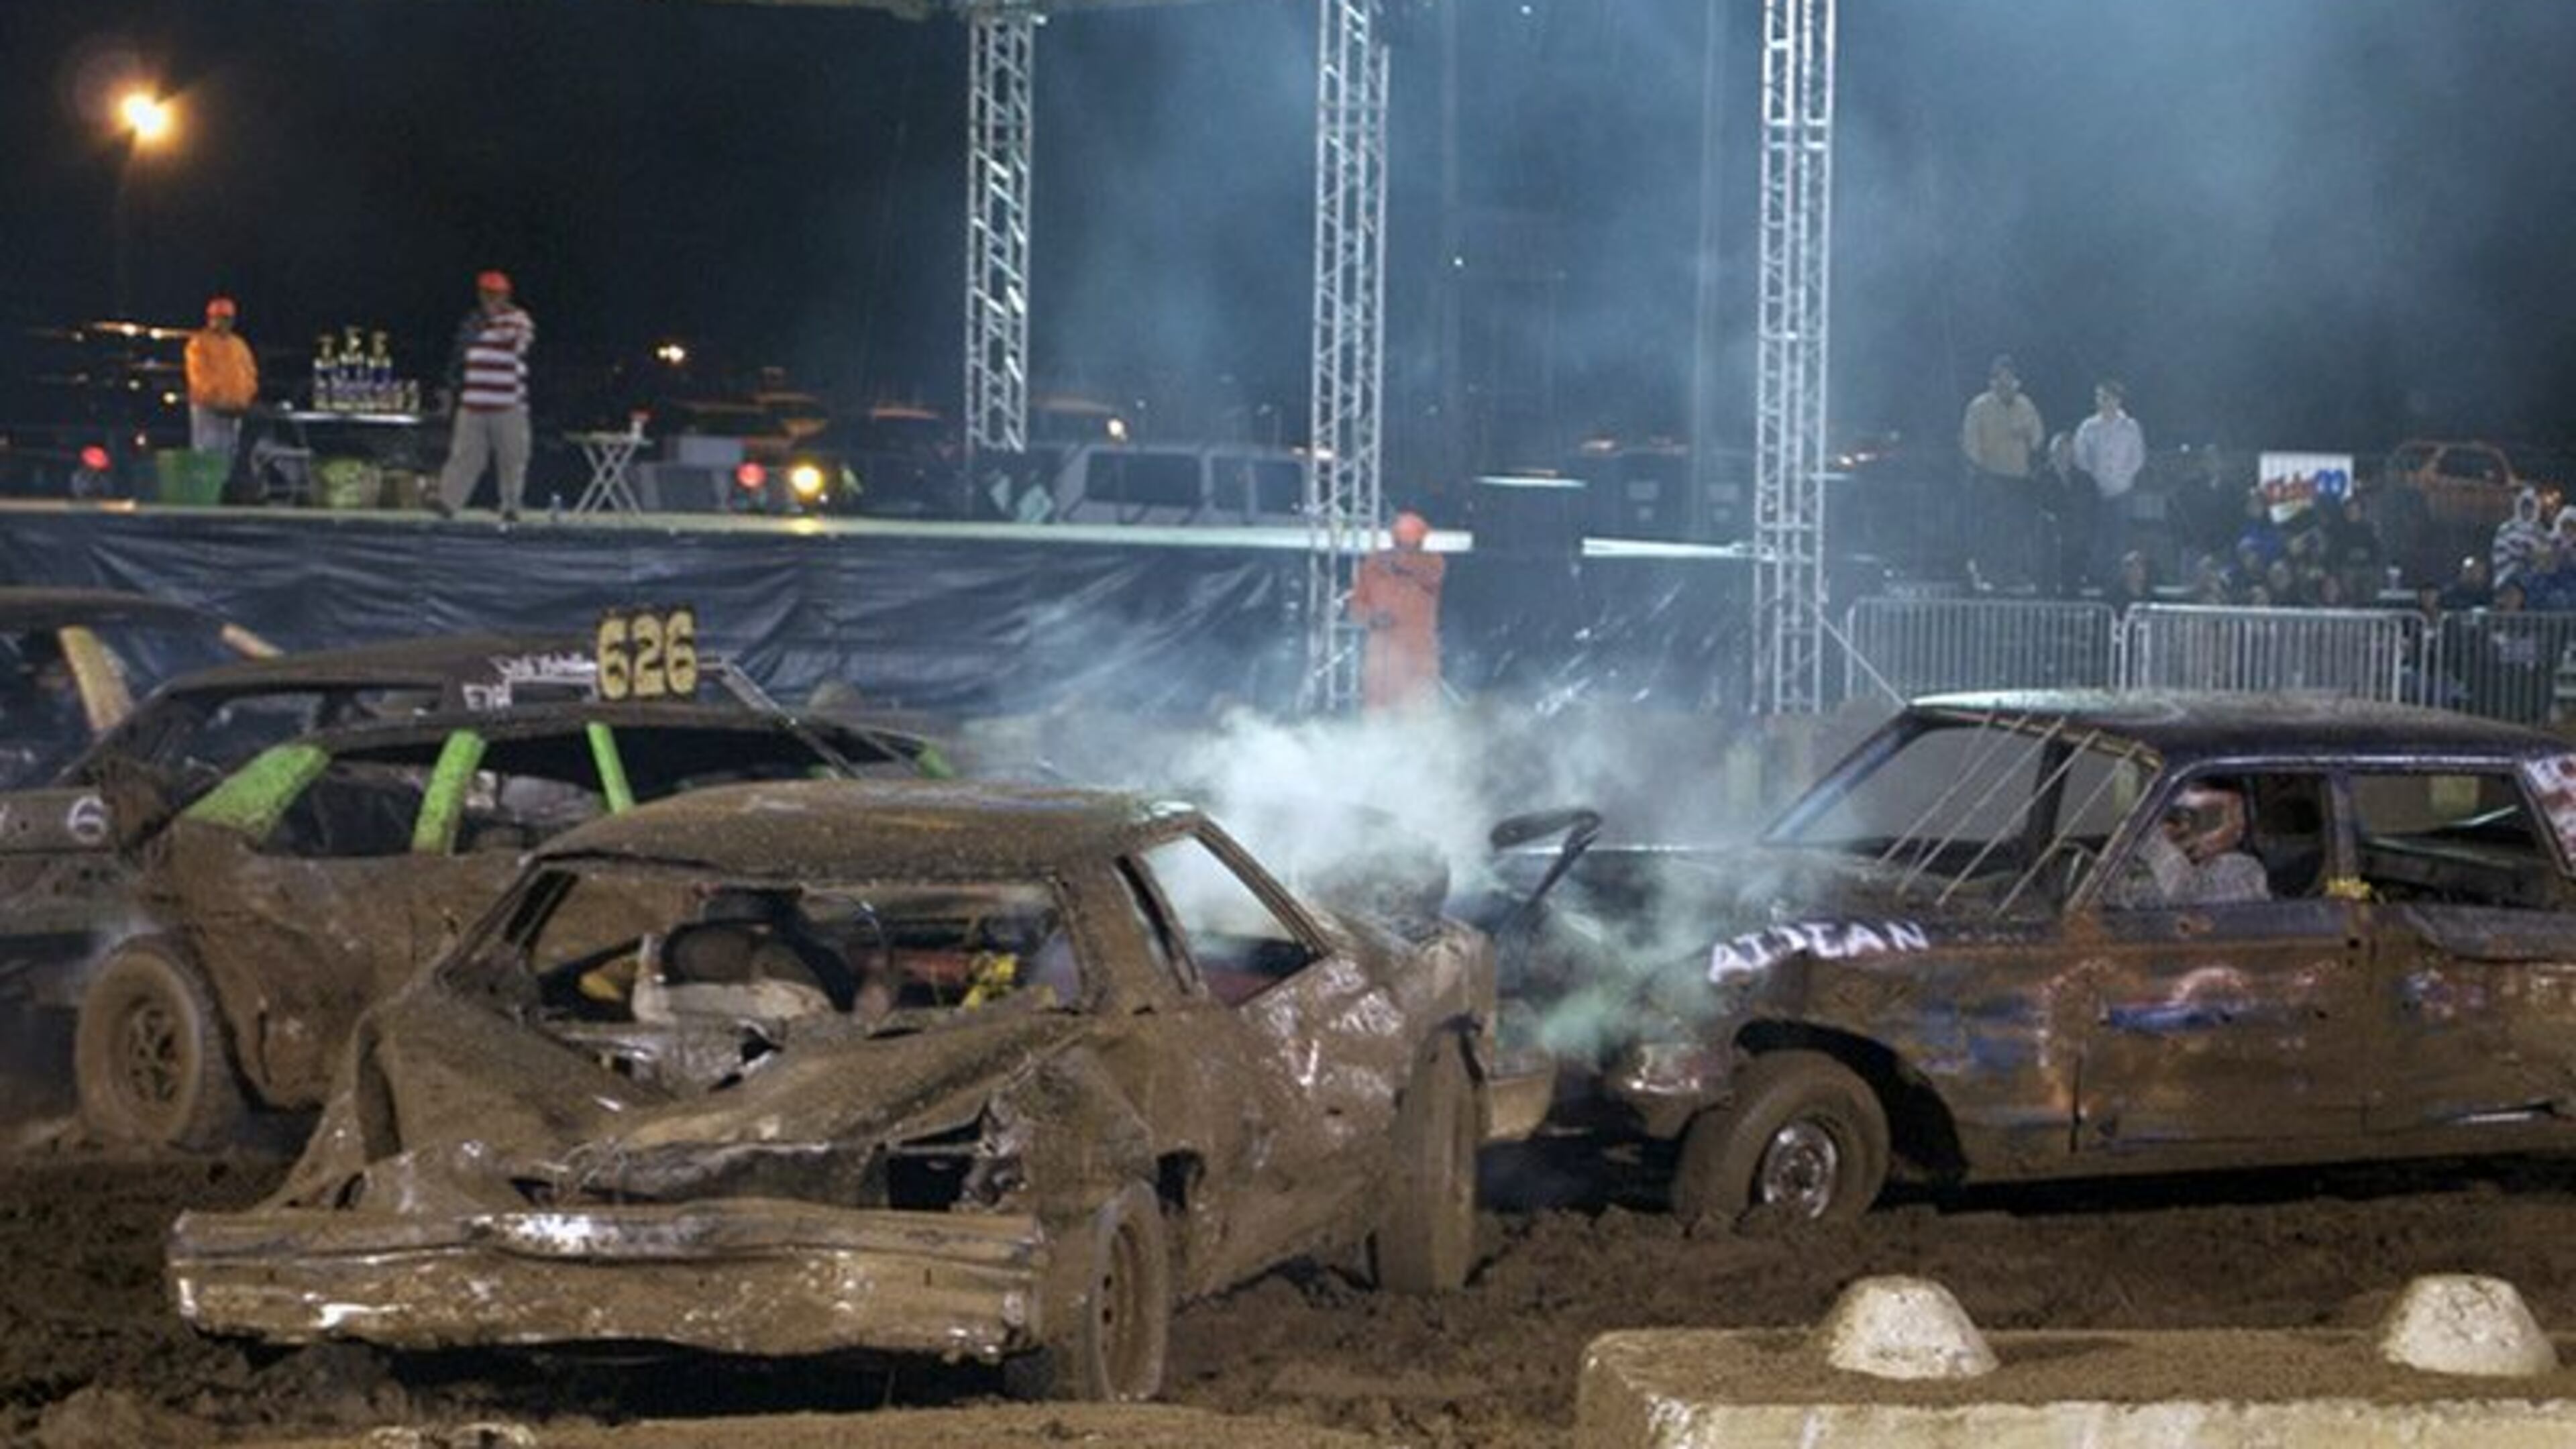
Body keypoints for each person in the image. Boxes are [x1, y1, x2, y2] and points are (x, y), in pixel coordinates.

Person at [431, 270, 537, 522]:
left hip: (508, 404)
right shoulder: (471, 324)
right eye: (488, 295)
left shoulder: (517, 320)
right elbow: (459, 358)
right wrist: (449, 389)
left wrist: (494, 324)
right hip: (474, 404)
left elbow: (520, 338)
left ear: (506, 296)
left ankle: (511, 505)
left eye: (497, 295)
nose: (492, 300)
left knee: (512, 457)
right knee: (464, 456)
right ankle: (448, 502)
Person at [1958, 354, 2046, 589]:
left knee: (2016, 530)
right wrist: (1982, 468)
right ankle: (1989, 574)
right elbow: (1970, 441)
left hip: (2018, 478)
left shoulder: (2026, 405)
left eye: (2009, 377)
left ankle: (2013, 574)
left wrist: (2028, 438)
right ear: (1993, 380)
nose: (2005, 382)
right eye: (2001, 377)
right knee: (1991, 530)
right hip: (1991, 478)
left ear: (2015, 380)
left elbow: (2038, 436)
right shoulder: (1979, 406)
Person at [1348, 509, 1446, 713]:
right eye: (1401, 543)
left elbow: (1428, 574)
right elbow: (1357, 605)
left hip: (1417, 655)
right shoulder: (1374, 564)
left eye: (1411, 545)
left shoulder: (1432, 562)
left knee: (1418, 710)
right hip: (1381, 658)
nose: (1406, 550)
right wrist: (1372, 618)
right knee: (1378, 711)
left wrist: (1393, 562)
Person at [2112, 781, 2270, 906]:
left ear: (2239, 824)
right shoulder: (2181, 864)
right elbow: (2132, 900)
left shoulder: (2243, 870)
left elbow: (2186, 901)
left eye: (2211, 818)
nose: (2189, 828)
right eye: (2180, 817)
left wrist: (2157, 842)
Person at [2071, 380, 2145, 591]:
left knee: (2118, 536)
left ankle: (2115, 579)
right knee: (2097, 534)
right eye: (2100, 397)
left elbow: (2137, 457)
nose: (2104, 402)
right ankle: (2095, 576)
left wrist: (2123, 478)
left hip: (2122, 490)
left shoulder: (2130, 426)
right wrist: (2093, 477)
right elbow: (2080, 455)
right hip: (2095, 491)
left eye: (2108, 398)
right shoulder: (2088, 426)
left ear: (2118, 400)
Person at [183, 296, 258, 463]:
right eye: (220, 318)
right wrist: (220, 403)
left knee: (230, 456)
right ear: (210, 318)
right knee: (208, 455)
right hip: (208, 412)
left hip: (235, 413)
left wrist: (243, 401)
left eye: (228, 318)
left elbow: (250, 375)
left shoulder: (239, 345)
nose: (224, 322)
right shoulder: (199, 344)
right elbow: (200, 379)